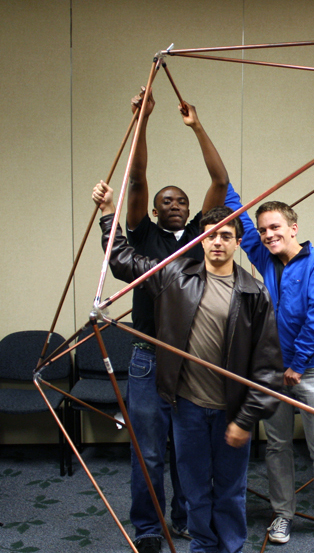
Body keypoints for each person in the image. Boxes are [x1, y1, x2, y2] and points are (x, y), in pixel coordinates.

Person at [94, 182, 283, 553]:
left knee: (230, 492)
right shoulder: (174, 277)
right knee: (196, 490)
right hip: (189, 408)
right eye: (210, 235)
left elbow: (268, 366)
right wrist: (108, 212)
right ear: (200, 240)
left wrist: (246, 419)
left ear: (237, 242)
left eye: (225, 236)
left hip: (231, 411)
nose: (216, 242)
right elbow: (121, 259)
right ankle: (201, 546)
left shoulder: (254, 293)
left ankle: (229, 548)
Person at [112, 87, 230, 553]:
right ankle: (147, 528)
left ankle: (185, 516)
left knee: (190, 450)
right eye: (168, 200)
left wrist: (196, 126)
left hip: (192, 359)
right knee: (150, 452)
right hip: (147, 358)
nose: (175, 203)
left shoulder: (203, 236)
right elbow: (137, 178)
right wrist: (143, 120)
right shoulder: (143, 238)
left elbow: (220, 180)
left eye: (181, 199)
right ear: (156, 209)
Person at [224, 186, 314, 548]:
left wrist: (296, 364)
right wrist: (223, 180)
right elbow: (238, 215)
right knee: (277, 447)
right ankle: (283, 513)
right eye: (263, 230)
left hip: (309, 372)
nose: (268, 235)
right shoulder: (265, 258)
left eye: (275, 227)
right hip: (273, 373)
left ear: (293, 228)